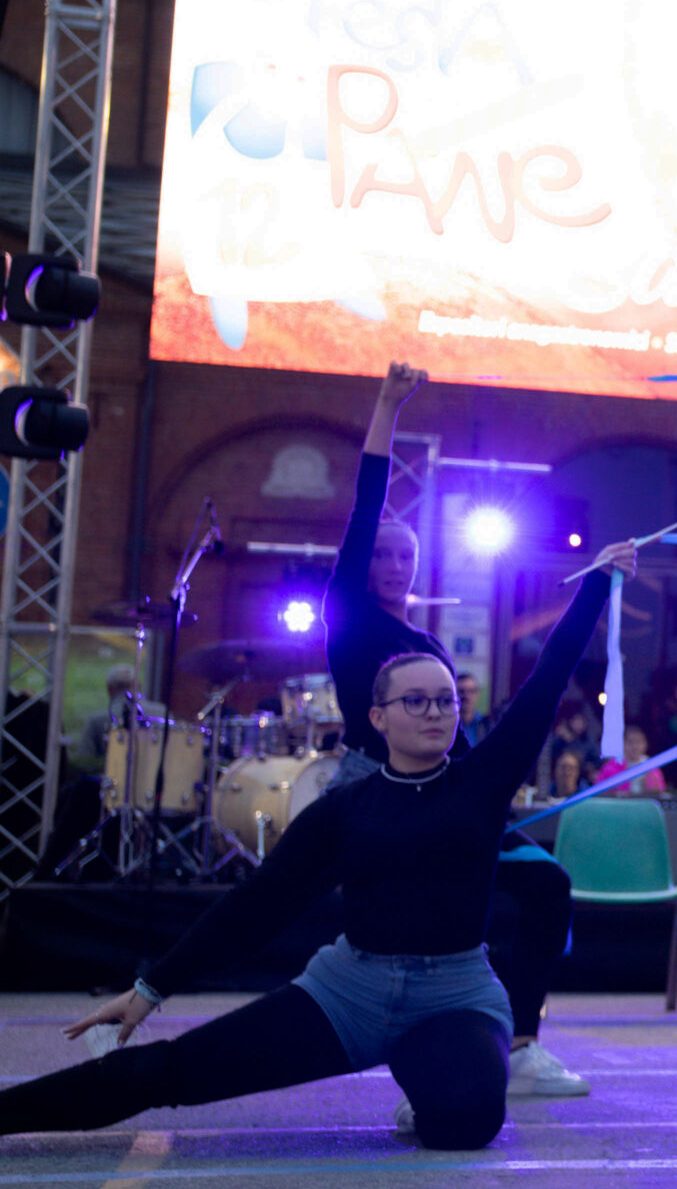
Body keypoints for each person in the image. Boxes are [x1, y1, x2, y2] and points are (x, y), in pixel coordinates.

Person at [1, 543, 633, 1149]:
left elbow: (548, 677)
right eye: (416, 701)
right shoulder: (342, 809)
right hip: (349, 994)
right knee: (166, 1072)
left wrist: (598, 583)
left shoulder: (483, 781)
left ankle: (429, 1075)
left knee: (465, 1123)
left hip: (455, 997)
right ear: (377, 717)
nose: (436, 712)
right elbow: (259, 903)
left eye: (445, 701)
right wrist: (151, 989)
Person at [333, 363, 584, 1102]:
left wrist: (490, 792)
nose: (391, 563)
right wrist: (387, 405)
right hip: (379, 788)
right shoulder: (349, 617)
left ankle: (522, 1042)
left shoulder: (423, 638)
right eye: (379, 553)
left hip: (451, 790)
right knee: (405, 929)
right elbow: (367, 498)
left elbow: (453, 732)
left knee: (545, 884)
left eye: (403, 554)